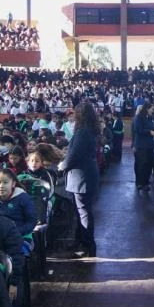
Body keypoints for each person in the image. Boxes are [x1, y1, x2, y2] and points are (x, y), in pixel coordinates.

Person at [59, 102, 101, 258]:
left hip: (81, 177)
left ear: (80, 115)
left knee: (84, 213)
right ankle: (80, 240)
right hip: (82, 176)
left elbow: (74, 155)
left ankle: (88, 244)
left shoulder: (83, 131)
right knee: (80, 212)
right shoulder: (87, 130)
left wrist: (62, 165)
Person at [132, 102, 154, 191]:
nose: (153, 111)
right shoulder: (139, 117)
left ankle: (146, 182)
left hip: (150, 145)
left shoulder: (150, 119)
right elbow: (137, 129)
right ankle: (139, 183)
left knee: (149, 164)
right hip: (141, 145)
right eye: (152, 109)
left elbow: (152, 128)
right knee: (141, 164)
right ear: (147, 108)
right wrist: (150, 132)